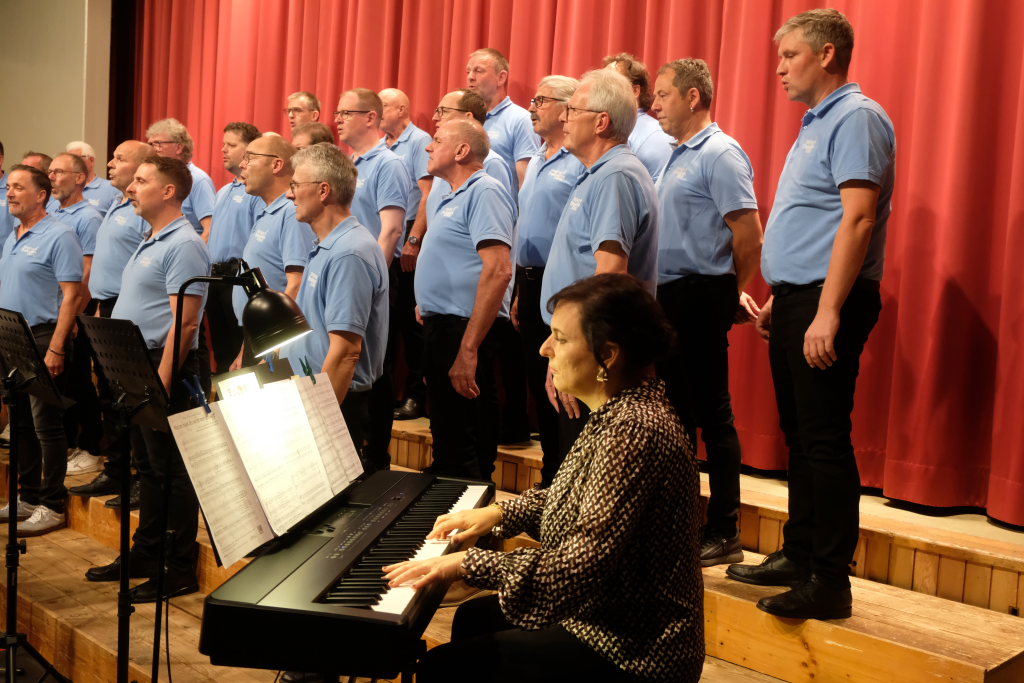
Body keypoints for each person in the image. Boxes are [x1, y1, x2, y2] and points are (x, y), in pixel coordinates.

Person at [387, 273, 704, 683]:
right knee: (473, 618)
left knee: (444, 668)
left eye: (561, 338)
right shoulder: (619, 411)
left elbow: (577, 567)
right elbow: (572, 496)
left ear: (607, 355)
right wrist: (499, 513)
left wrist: (469, 563)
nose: (544, 348)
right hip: (602, 614)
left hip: (634, 648)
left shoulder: (634, 430)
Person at [726, 8, 896, 621]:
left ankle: (830, 579)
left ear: (826, 55)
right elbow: (816, 220)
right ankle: (799, 554)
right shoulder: (817, 121)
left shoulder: (856, 117)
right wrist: (785, 294)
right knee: (800, 435)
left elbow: (858, 219)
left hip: (831, 299)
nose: (779, 68)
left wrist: (826, 310)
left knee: (824, 438)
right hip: (803, 296)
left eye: (790, 55)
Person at [651, 58, 764, 566]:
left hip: (699, 294)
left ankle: (724, 529)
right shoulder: (674, 155)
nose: (655, 105)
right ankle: (678, 524)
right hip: (670, 296)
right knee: (675, 415)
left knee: (712, 415)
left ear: (692, 97)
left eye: (663, 95)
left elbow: (749, 235)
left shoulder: (719, 152)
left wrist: (728, 290)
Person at [85, 156, 211, 602]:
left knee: (173, 471)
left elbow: (187, 323)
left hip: (167, 366)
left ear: (169, 191)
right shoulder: (153, 237)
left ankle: (178, 567)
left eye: (141, 180)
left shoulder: (185, 244)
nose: (131, 188)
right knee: (150, 469)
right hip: (142, 362)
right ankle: (147, 553)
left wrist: (160, 382)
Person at [540, 68, 659, 464]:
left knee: (582, 475)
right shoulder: (600, 173)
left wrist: (576, 358)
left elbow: (610, 274)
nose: (564, 118)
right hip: (578, 350)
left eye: (573, 110)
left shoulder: (616, 176)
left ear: (601, 121)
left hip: (590, 359)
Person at [415, 119, 515, 480]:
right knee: (448, 435)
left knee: (466, 440)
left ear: (461, 151)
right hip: (442, 326)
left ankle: (470, 501)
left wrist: (468, 348)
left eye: (437, 140)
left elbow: (499, 270)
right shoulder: (450, 194)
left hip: (465, 328)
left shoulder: (484, 191)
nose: (428, 147)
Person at [281, 143, 389, 470]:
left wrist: (317, 422)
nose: (289, 194)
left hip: (338, 403)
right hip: (318, 393)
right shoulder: (330, 245)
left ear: (323, 190)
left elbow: (346, 354)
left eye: (295, 185)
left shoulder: (349, 253)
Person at [0, 164, 86, 536]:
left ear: (40, 195)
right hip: (11, 336)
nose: (10, 193)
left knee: (46, 425)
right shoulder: (13, 233)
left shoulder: (60, 235)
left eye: (18, 187)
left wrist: (57, 347)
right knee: (19, 421)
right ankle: (29, 495)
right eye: (9, 187)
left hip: (42, 336)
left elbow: (72, 296)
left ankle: (52, 504)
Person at [68, 140, 155, 504]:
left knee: (126, 395)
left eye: (120, 159)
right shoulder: (119, 203)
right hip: (106, 307)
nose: (110, 163)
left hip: (127, 309)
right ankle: (116, 470)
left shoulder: (143, 211)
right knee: (110, 395)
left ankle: (137, 475)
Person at [512, 74, 586, 484]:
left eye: (541, 100)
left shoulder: (578, 161)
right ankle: (549, 474)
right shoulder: (538, 157)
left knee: (565, 385)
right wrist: (518, 290)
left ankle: (564, 480)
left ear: (567, 108)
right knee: (537, 384)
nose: (532, 108)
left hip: (564, 285)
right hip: (528, 281)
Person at [231, 134, 314, 368]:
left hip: (277, 339)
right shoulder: (268, 211)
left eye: (250, 158)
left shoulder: (291, 212)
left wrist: (277, 349)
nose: (242, 165)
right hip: (260, 336)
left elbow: (296, 282)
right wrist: (246, 348)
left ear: (276, 164)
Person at [47, 152, 105, 476]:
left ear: (80, 178)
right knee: (61, 383)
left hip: (75, 311)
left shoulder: (88, 217)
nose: (52, 177)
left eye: (59, 172)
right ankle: (67, 443)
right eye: (50, 172)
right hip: (53, 310)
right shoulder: (52, 211)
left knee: (79, 380)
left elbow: (87, 272)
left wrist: (72, 317)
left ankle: (91, 446)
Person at [380, 87, 433, 421]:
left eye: (384, 106)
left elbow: (427, 193)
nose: (379, 111)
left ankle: (416, 394)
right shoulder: (381, 146)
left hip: (409, 236)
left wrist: (414, 239)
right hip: (384, 239)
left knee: (411, 327)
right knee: (387, 324)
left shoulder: (418, 140)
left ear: (402, 109)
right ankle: (385, 394)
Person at [207, 122, 264, 373]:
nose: (223, 150)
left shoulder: (255, 194)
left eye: (231, 145)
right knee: (221, 349)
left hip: (238, 278)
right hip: (215, 277)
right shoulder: (223, 191)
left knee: (238, 350)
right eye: (223, 144)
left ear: (250, 150)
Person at [466, 47, 540, 192]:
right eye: (468, 71)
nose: (470, 77)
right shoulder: (467, 118)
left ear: (501, 77)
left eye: (478, 71)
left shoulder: (521, 119)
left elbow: (526, 181)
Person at [603, 53, 675, 181]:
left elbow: (660, 190)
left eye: (610, 84)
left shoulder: (655, 136)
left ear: (635, 91)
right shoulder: (602, 128)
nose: (600, 91)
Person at [146, 117, 216, 240]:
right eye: (151, 144)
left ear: (178, 147)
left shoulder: (198, 180)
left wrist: (192, 251)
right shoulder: (159, 177)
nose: (153, 149)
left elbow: (210, 230)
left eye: (158, 143)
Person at [65, 140, 122, 213]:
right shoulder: (63, 188)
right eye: (68, 160)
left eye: (75, 159)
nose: (70, 164)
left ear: (91, 160)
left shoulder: (112, 189)